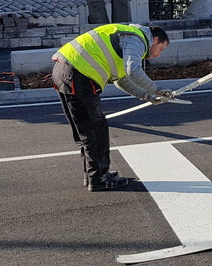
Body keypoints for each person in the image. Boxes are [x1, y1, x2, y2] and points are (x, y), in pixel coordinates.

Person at [52, 24, 172, 191]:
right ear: (155, 39)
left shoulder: (127, 40)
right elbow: (133, 71)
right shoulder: (137, 39)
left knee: (86, 130)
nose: (158, 54)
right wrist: (158, 90)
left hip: (66, 69)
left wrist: (147, 96)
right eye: (161, 48)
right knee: (95, 129)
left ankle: (94, 174)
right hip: (80, 74)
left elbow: (121, 79)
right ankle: (98, 178)